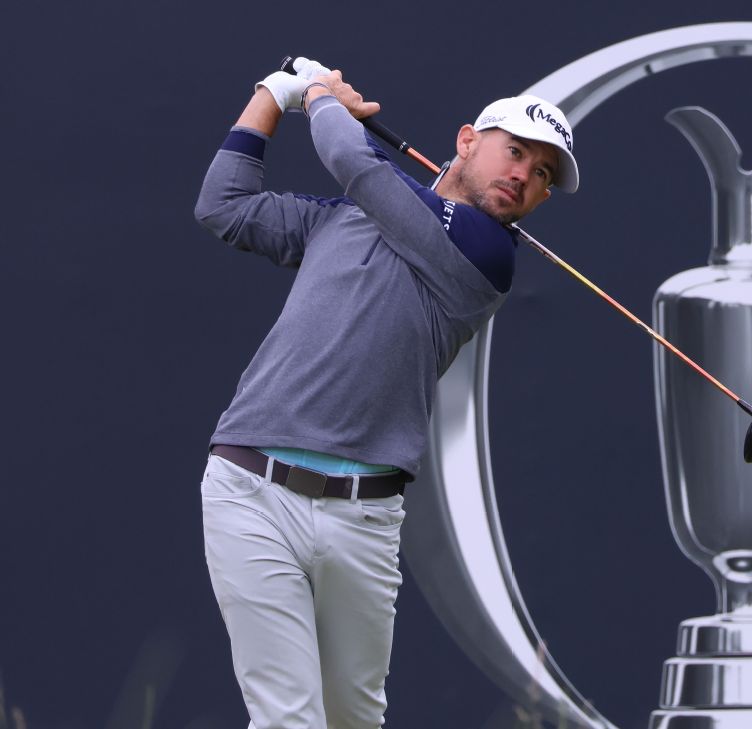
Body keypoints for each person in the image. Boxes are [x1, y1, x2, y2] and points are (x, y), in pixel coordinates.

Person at [193, 58, 579, 728]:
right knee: (287, 717)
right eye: (515, 151)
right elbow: (223, 205)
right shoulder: (344, 219)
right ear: (467, 141)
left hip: (363, 520)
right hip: (250, 489)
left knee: (354, 717)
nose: (523, 175)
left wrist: (317, 93)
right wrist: (270, 95)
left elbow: (353, 159)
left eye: (542, 173)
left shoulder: (488, 256)